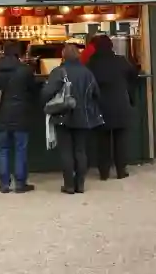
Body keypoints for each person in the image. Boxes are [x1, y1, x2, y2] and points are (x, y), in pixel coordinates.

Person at [41, 43, 103, 195]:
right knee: (80, 150)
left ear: (63, 56)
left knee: (66, 151)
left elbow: (46, 93)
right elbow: (97, 94)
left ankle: (69, 185)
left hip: (63, 115)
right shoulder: (87, 73)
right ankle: (80, 184)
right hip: (84, 116)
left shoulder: (59, 72)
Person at [0, 41, 37, 194]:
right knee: (20, 149)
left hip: (1, 114)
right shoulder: (25, 70)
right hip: (21, 114)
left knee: (3, 149)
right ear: (18, 53)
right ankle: (20, 183)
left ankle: (4, 183)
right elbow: (34, 90)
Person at [86, 34, 140, 181]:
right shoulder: (121, 61)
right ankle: (121, 171)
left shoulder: (91, 64)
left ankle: (104, 172)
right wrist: (129, 91)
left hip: (100, 107)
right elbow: (134, 75)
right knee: (120, 141)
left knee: (102, 142)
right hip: (120, 105)